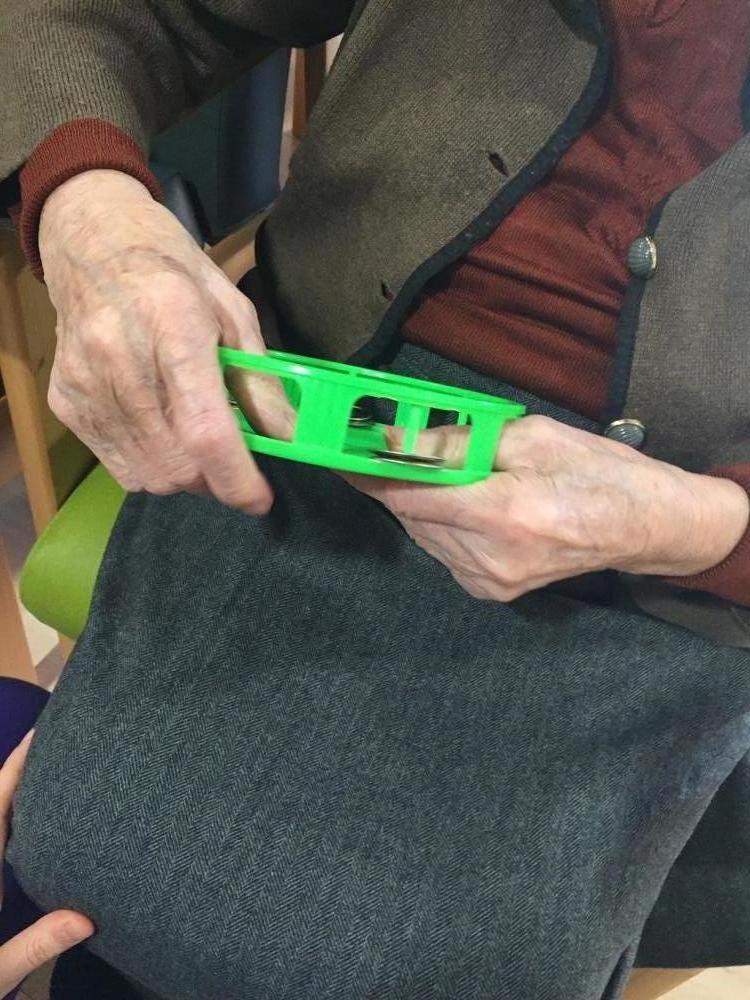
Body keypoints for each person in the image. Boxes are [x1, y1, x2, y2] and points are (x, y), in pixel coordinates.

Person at [2, 2, 750, 999]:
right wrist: (89, 215)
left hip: (684, 567)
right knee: (91, 869)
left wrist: (695, 529)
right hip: (302, 421)